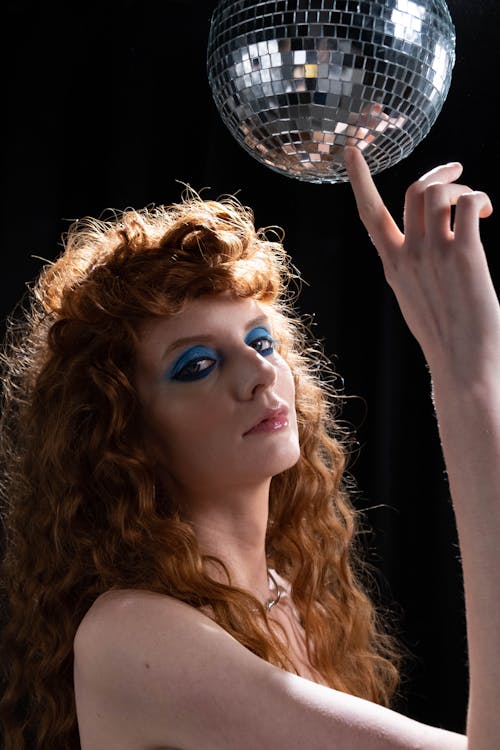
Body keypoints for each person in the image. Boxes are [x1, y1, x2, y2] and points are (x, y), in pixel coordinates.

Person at [0, 145, 497, 750]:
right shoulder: (130, 635)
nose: (260, 373)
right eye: (198, 364)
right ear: (121, 434)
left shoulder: (291, 598)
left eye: (261, 341)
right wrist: (464, 369)